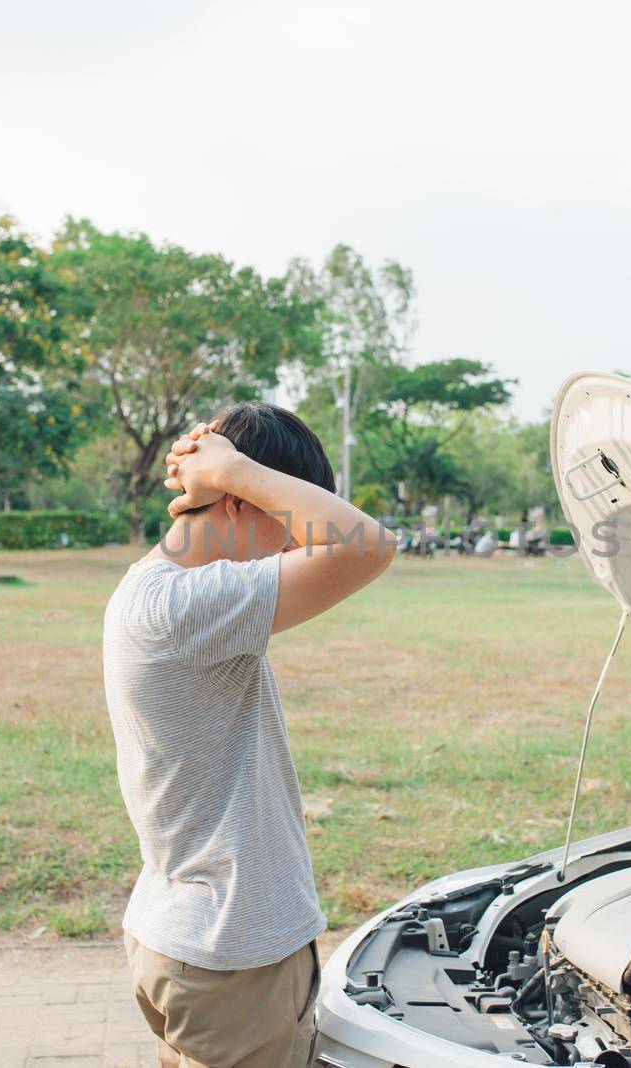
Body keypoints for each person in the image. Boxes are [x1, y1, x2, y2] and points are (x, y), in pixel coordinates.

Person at [102, 402, 398, 1067]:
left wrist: (233, 472)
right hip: (231, 954)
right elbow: (369, 546)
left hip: (192, 938)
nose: (296, 540)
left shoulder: (168, 592)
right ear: (239, 501)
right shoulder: (182, 607)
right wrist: (234, 468)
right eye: (286, 516)